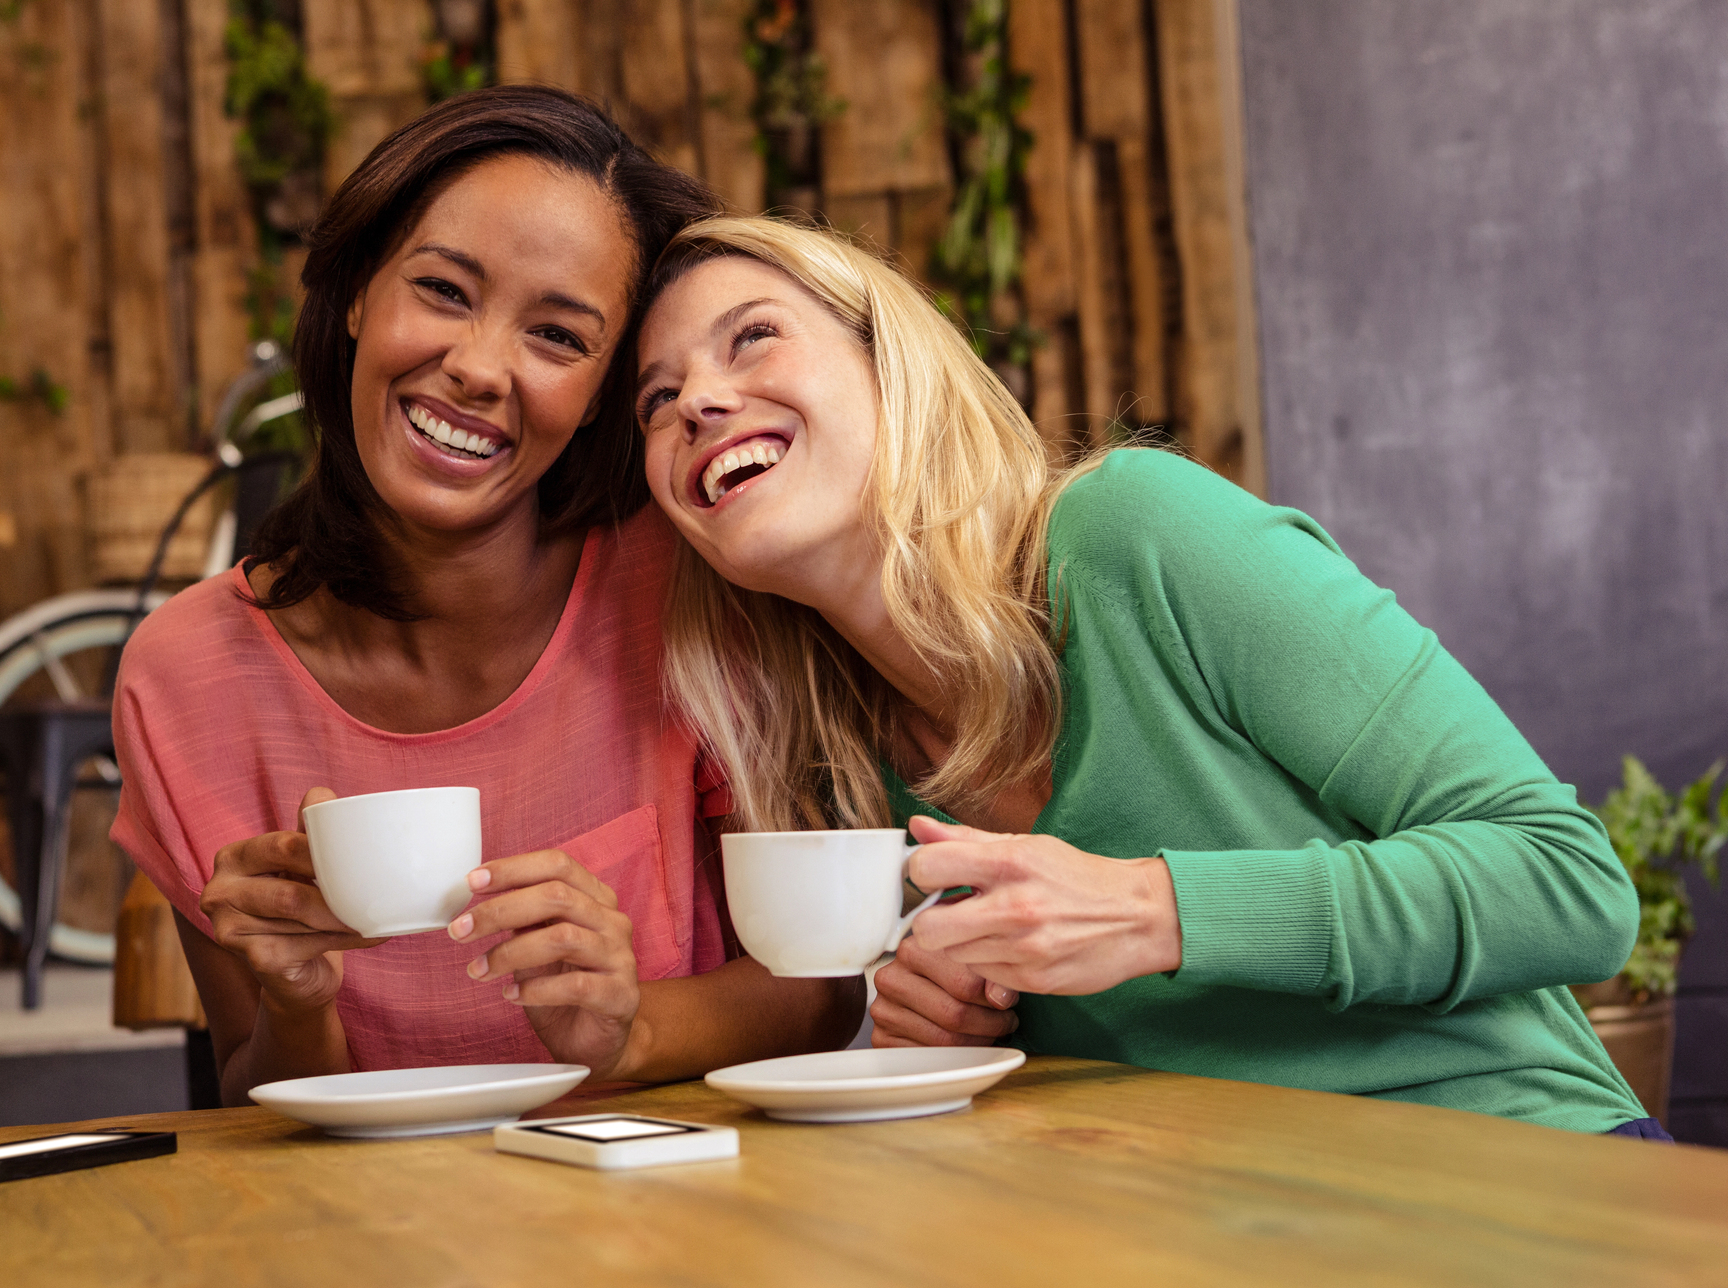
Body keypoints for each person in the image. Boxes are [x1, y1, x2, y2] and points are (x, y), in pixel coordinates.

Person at [629, 214, 1665, 1138]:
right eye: (656, 399)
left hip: (1508, 1180)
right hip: (1204, 1240)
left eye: (751, 336)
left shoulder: (1133, 531)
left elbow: (1567, 885)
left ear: (889, 361)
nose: (696, 403)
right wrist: (954, 1017)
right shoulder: (836, 754)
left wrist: (1152, 909)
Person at [111, 90, 860, 1107]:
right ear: (355, 297)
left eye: (556, 336)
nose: (475, 368)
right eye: (443, 290)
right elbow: (254, 1090)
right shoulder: (186, 676)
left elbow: (814, 992)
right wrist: (293, 1001)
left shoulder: (680, 586)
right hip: (372, 1244)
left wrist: (629, 1021)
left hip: (667, 1223)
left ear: (605, 389)